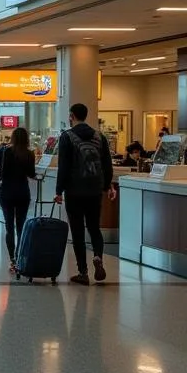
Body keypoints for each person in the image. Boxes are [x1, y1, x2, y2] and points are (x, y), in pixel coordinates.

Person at [54, 102, 114, 285]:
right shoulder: (99, 136)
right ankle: (97, 257)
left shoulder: (67, 137)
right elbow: (107, 164)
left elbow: (63, 166)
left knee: (78, 231)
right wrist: (107, 186)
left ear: (71, 116)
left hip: (74, 190)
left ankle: (83, 272)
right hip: (95, 189)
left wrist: (59, 191)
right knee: (94, 228)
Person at [0, 126, 37, 273]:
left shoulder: (5, 151)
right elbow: (31, 173)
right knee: (21, 226)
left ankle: (13, 260)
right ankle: (21, 256)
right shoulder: (29, 154)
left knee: (9, 227)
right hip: (23, 192)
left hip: (7, 192)